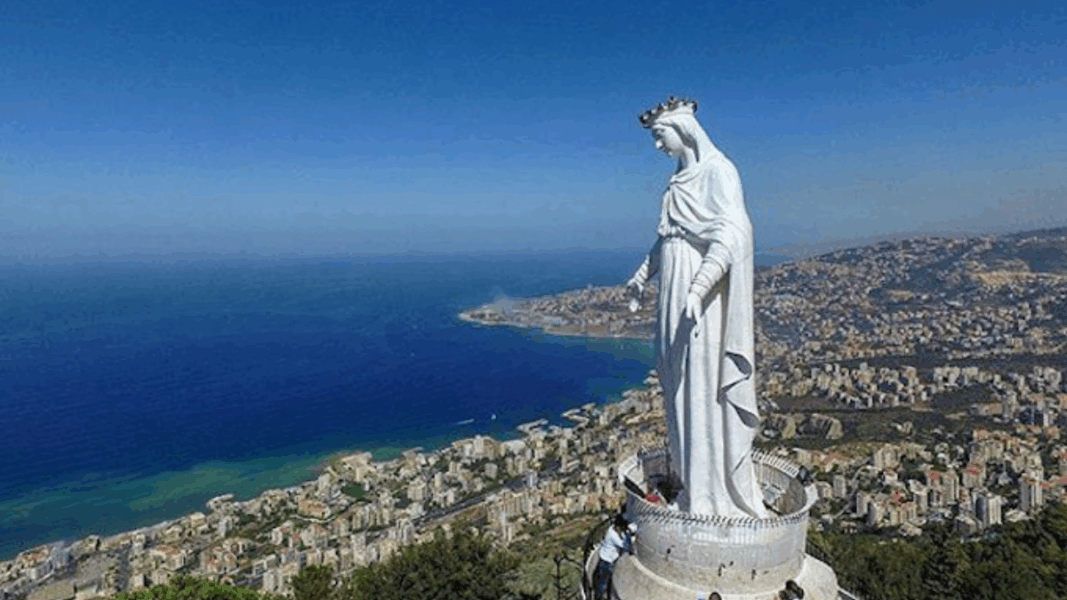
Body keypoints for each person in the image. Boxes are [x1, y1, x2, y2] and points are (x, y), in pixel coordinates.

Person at [627, 97, 767, 519]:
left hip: (700, 303)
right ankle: (692, 484)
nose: (658, 146)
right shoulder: (677, 180)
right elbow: (668, 237)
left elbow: (732, 235)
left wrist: (699, 287)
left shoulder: (719, 171)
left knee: (701, 387)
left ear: (683, 130)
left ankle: (711, 494)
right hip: (674, 297)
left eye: (660, 136)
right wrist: (642, 274)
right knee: (678, 388)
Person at [592, 515, 634, 600]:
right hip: (607, 562)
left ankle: (599, 596)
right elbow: (627, 547)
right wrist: (628, 534)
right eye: (622, 528)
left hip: (604, 558)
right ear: (618, 527)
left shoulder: (611, 529)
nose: (622, 530)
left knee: (602, 582)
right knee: (603, 584)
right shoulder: (613, 536)